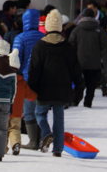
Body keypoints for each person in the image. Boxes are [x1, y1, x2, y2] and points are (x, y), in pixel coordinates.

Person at [27, 9, 82, 157]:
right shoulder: (68, 47)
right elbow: (76, 70)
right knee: (59, 118)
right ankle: (58, 148)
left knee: (39, 114)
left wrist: (31, 87)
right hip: (62, 89)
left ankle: (46, 133)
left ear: (46, 27)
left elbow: (34, 70)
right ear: (60, 27)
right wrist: (78, 89)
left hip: (43, 88)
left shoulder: (39, 46)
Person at [12, 8, 44, 149]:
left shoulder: (20, 38)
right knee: (41, 111)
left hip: (26, 79)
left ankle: (33, 141)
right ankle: (42, 139)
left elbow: (15, 60)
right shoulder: (43, 37)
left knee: (29, 111)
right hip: (43, 78)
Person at [68, 8, 107, 107]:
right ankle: (88, 103)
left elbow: (71, 45)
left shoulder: (76, 30)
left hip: (79, 62)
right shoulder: (99, 30)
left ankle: (75, 101)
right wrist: (101, 58)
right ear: (94, 16)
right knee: (91, 85)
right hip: (94, 63)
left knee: (79, 83)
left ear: (82, 16)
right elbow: (104, 46)